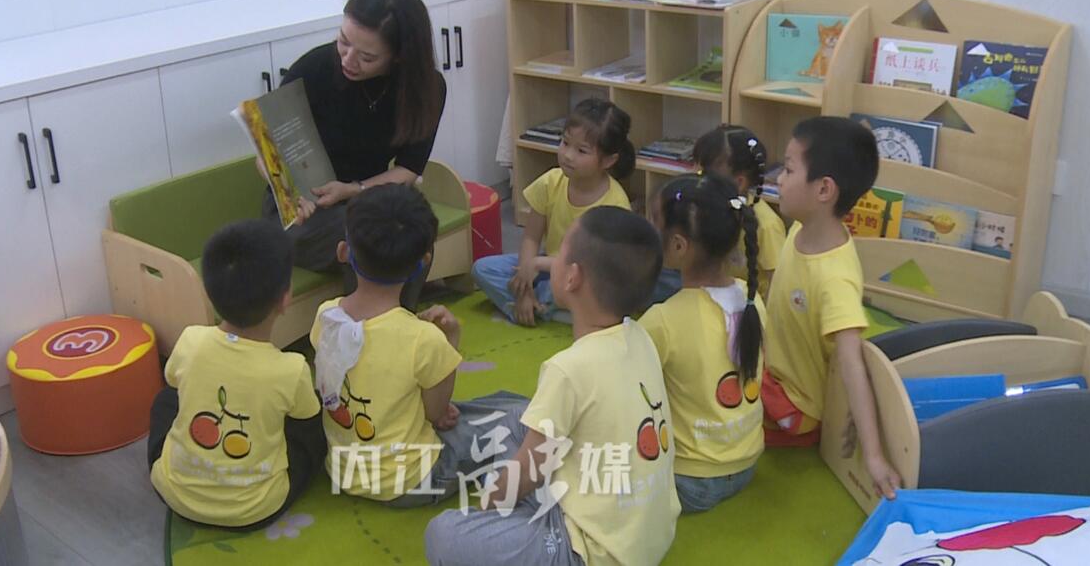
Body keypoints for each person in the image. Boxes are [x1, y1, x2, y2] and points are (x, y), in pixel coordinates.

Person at [425, 207, 681, 566]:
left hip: (588, 552)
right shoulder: (640, 336)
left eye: (559, 252)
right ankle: (523, 525)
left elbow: (528, 472)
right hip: (647, 534)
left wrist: (484, 512)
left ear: (572, 277)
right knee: (515, 417)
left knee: (444, 534)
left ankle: (522, 530)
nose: (552, 258)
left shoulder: (568, 369)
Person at [311, 184, 529, 507]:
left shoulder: (325, 315)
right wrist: (450, 341)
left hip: (343, 471)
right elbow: (436, 413)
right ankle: (502, 482)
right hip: (413, 480)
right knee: (521, 415)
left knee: (493, 405)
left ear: (344, 252)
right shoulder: (423, 339)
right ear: (424, 261)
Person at [265, 0, 446, 311]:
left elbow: (408, 170)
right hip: (299, 211)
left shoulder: (425, 88)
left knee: (412, 227)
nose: (348, 59)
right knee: (369, 235)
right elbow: (266, 152)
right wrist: (289, 191)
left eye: (367, 57)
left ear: (399, 57)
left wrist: (353, 190)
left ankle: (396, 327)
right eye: (343, 41)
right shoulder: (315, 69)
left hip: (362, 198)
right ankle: (364, 331)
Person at [148, 220, 325, 528]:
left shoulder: (190, 339)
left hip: (176, 494)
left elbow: (174, 382)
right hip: (256, 508)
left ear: (209, 293)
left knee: (165, 399)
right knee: (312, 422)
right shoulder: (292, 368)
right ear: (285, 299)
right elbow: (307, 423)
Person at [762, 116, 901, 499]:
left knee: (704, 411)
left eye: (789, 170)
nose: (779, 179)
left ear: (823, 189)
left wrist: (874, 456)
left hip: (795, 405)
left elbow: (854, 365)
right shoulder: (801, 228)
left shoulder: (835, 279)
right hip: (772, 369)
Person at [640, 174, 766, 513]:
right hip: (747, 462)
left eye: (654, 221)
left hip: (691, 480)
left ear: (679, 246)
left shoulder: (663, 320)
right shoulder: (752, 298)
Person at [471, 98, 634, 325]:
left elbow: (594, 266)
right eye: (565, 143)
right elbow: (530, 238)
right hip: (549, 269)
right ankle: (541, 307)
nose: (568, 155)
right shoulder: (550, 182)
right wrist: (526, 283)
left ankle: (540, 307)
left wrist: (537, 265)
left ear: (608, 160)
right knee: (482, 269)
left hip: (587, 276)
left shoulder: (614, 205)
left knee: (596, 292)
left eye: (581, 151)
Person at [692, 124, 786, 298]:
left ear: (739, 182)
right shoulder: (709, 208)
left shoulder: (767, 226)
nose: (695, 179)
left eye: (703, 174)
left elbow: (777, 284)